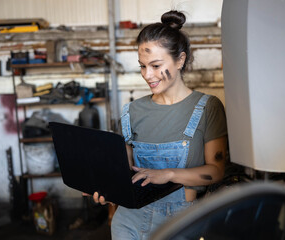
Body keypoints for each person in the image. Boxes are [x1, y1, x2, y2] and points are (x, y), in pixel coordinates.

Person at [92, 10, 228, 239]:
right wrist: (106, 189)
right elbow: (122, 173)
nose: (147, 75)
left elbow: (216, 171)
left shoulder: (207, 108)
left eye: (155, 65)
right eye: (142, 66)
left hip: (182, 221)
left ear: (180, 60)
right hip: (129, 220)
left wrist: (167, 174)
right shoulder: (132, 111)